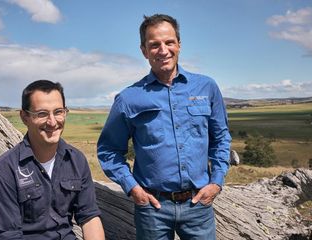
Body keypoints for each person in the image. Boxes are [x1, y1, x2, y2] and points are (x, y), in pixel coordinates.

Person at [97, 14, 231, 240]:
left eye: (169, 42)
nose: (163, 50)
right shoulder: (129, 98)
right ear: (144, 51)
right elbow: (109, 150)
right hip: (152, 208)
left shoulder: (206, 87)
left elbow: (220, 138)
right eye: (154, 45)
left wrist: (216, 182)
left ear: (179, 44)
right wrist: (133, 188)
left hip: (198, 204)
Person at [0, 80, 105, 240]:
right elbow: (8, 236)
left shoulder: (76, 160)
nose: (52, 122)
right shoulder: (3, 171)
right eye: (42, 114)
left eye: (58, 112)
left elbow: (89, 217)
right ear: (24, 117)